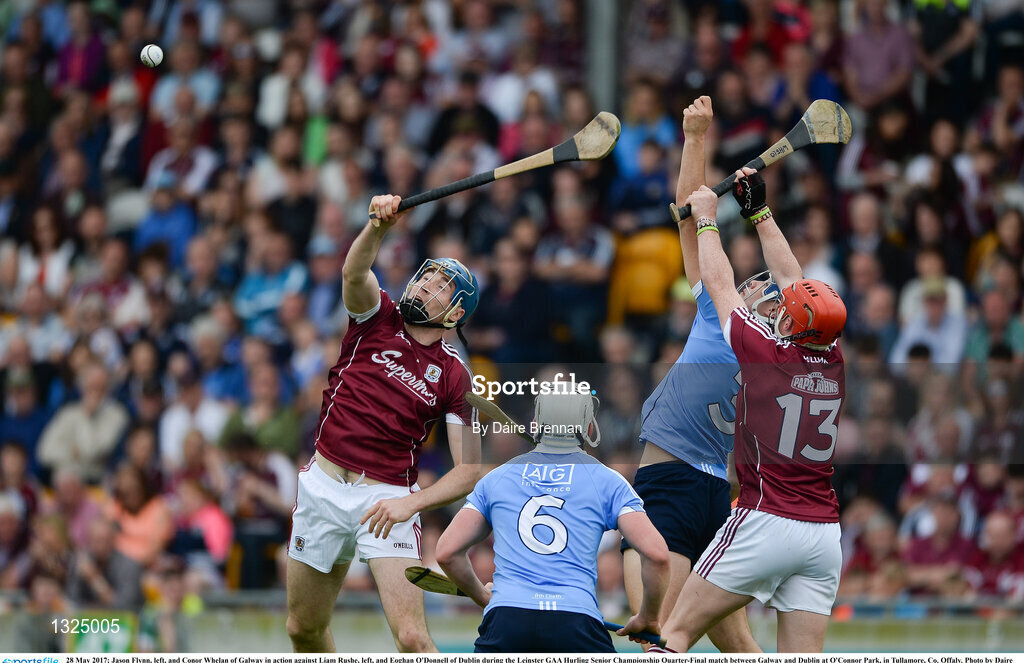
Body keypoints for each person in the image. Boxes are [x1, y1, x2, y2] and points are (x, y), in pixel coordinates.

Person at [656, 168, 847, 653]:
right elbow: (794, 280)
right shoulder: (835, 357)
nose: (782, 299)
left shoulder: (764, 351)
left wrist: (706, 222)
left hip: (766, 519)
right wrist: (759, 211)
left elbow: (721, 285)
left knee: (673, 634)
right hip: (824, 535)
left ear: (791, 317)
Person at [285, 194, 483, 653]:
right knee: (303, 629)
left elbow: (468, 470)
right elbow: (354, 273)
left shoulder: (456, 375)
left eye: (439, 286)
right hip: (323, 484)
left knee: (413, 638)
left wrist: (410, 506)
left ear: (454, 314)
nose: (424, 286)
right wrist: (377, 228)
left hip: (386, 499)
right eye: (427, 275)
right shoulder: (378, 316)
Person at [622, 96, 761, 653]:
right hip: (717, 494)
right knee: (740, 647)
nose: (747, 285)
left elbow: (686, 219)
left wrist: (695, 139)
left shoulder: (722, 315)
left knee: (659, 637)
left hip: (676, 483)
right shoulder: (777, 350)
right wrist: (758, 212)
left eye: (758, 288)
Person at [435, 389, 670, 653]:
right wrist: (647, 618)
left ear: (535, 426)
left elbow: (446, 552)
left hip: (506, 620)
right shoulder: (609, 481)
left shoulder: (496, 478)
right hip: (576, 620)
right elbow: (657, 554)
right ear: (590, 428)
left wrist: (484, 597)